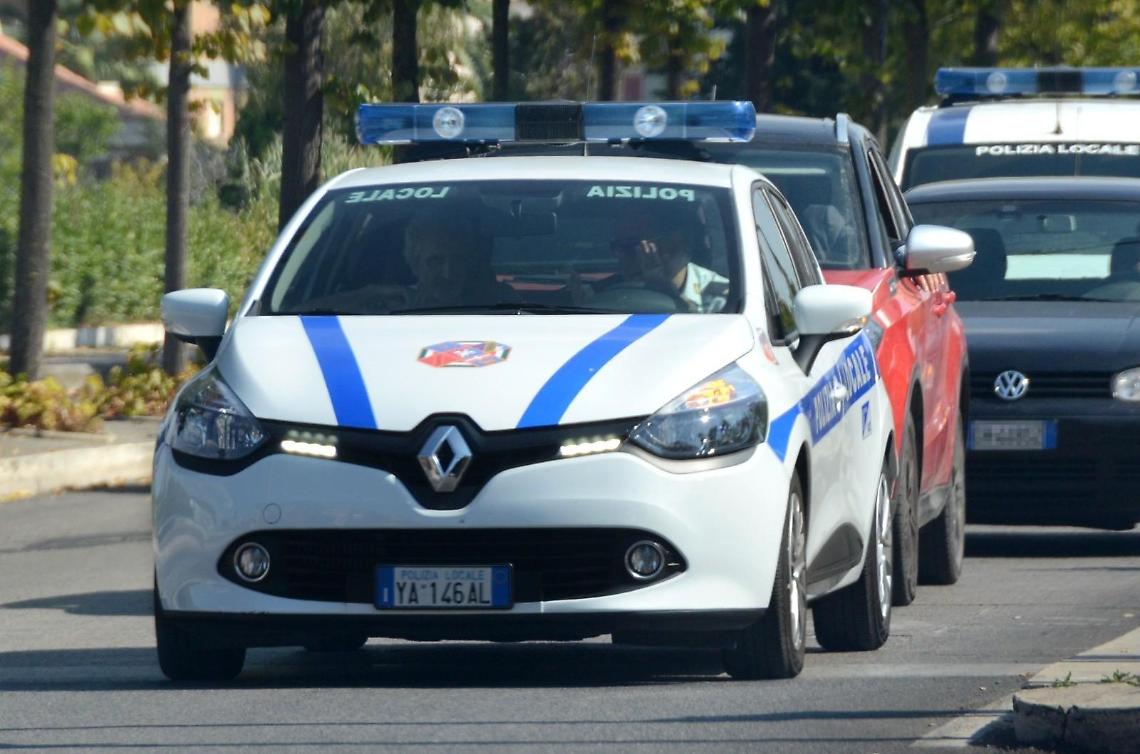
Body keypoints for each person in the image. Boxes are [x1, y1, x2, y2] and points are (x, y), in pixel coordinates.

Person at [608, 211, 729, 312]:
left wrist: (661, 288)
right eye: (616, 246)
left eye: (631, 246)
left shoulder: (724, 298)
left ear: (680, 242)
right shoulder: (603, 293)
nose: (620, 255)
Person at [402, 212, 518, 308]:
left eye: (458, 260)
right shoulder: (394, 308)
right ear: (415, 264)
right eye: (435, 261)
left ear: (469, 263)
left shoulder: (501, 303)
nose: (448, 274)